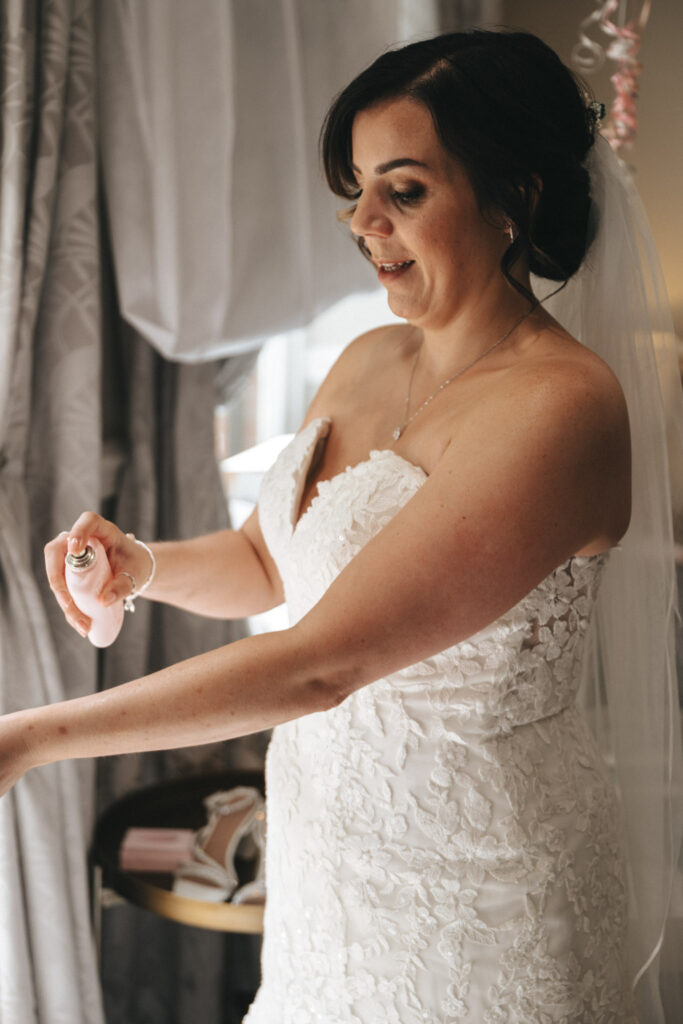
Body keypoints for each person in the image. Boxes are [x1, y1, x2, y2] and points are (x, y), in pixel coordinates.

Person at [0, 28, 680, 1023]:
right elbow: (268, 560)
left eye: (403, 191)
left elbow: (320, 663)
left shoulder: (558, 408)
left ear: (513, 199)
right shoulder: (368, 357)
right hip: (328, 865)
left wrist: (25, 737)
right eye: (356, 188)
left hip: (480, 899)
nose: (362, 221)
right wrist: (141, 565)